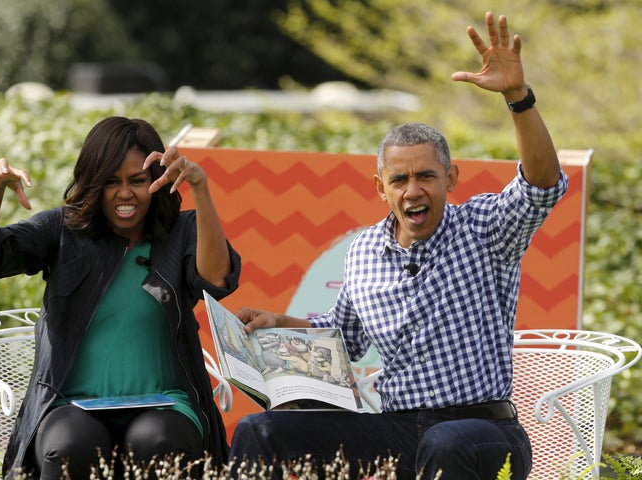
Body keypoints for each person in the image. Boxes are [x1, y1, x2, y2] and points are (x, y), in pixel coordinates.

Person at [229, 12, 567, 480]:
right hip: (399, 430)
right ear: (380, 187)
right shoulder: (363, 251)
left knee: (445, 442)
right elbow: (345, 334)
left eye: (426, 176)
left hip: (485, 430)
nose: (413, 190)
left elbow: (542, 184)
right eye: (400, 179)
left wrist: (517, 97)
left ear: (450, 178)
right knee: (258, 431)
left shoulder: (485, 227)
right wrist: (280, 322)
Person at [0, 116, 241, 479]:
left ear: (157, 181)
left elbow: (218, 279)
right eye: (110, 182)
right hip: (70, 406)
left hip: (168, 405)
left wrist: (200, 187)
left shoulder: (183, 231)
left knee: (158, 440)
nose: (125, 193)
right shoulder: (63, 230)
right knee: (70, 445)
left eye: (137, 181)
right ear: (92, 183)